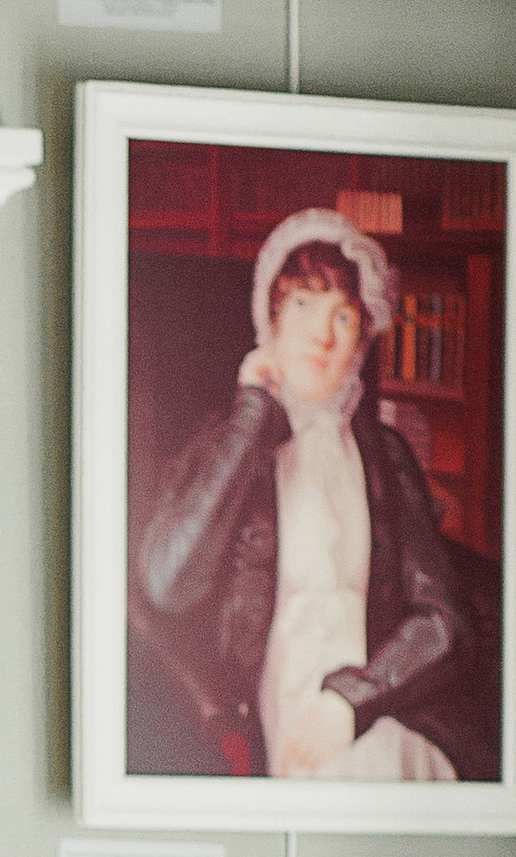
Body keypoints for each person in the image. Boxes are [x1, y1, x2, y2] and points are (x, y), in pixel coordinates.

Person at [138, 206, 482, 785]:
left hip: (376, 703)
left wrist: (352, 701)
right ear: (269, 320)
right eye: (301, 306)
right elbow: (168, 581)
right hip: (265, 714)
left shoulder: (387, 455)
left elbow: (444, 622)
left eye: (343, 317)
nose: (321, 336)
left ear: (363, 341)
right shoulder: (226, 447)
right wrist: (253, 418)